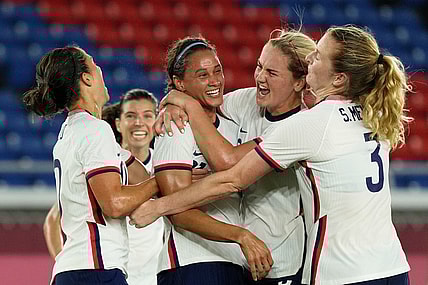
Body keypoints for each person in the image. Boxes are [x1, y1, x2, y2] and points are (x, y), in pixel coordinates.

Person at [130, 25, 412, 284]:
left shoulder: (310, 123)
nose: (311, 57)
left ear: (338, 78)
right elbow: (209, 103)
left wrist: (159, 206)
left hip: (339, 269)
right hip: (392, 265)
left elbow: (231, 177)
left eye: (318, 56)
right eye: (259, 67)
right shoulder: (374, 113)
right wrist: (176, 102)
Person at [149, 28, 316, 285]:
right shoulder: (245, 101)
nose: (260, 78)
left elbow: (228, 164)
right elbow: (205, 95)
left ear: (298, 82)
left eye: (271, 73)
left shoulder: (299, 127)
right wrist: (173, 102)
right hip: (235, 260)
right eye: (259, 67)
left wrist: (183, 100)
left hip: (282, 261)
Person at [23, 45, 158, 285]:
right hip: (96, 269)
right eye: (94, 64)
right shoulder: (95, 131)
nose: (99, 69)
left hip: (77, 269)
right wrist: (161, 182)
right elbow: (115, 204)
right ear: (87, 77)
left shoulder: (72, 131)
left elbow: (141, 176)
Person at [43, 89, 164, 285]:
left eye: (148, 116)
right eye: (131, 116)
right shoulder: (100, 156)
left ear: (157, 121)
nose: (139, 123)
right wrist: (67, 260)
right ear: (118, 123)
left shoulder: (159, 161)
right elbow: (54, 218)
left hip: (146, 276)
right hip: (102, 266)